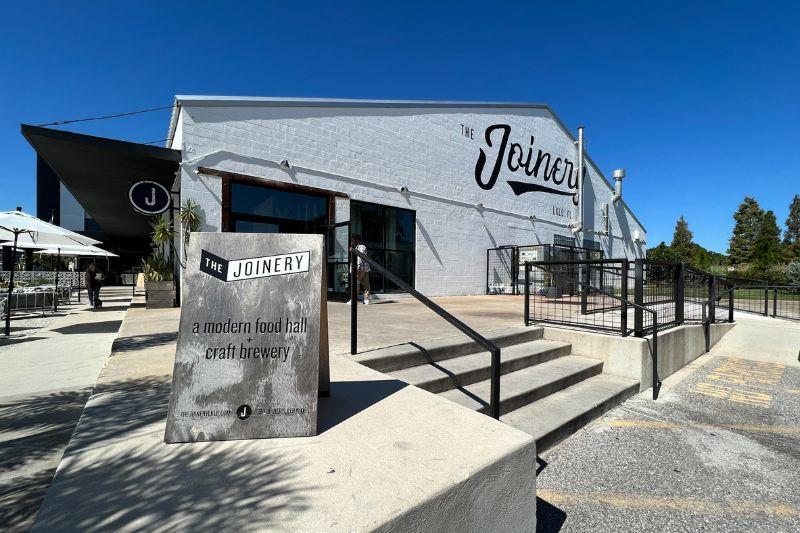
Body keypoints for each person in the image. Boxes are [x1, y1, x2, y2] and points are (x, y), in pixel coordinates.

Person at [347, 235, 371, 305]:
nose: (352, 242)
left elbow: (360, 258)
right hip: (364, 269)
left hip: (360, 268)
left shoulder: (361, 246)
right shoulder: (357, 247)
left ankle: (353, 300)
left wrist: (356, 268)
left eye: (353, 240)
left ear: (357, 240)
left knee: (356, 284)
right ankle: (366, 299)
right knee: (366, 284)